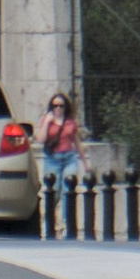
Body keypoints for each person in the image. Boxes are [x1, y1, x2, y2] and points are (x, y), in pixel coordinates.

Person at [38, 88, 83, 226]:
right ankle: (49, 222)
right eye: (55, 105)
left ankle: (66, 222)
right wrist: (47, 122)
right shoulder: (46, 121)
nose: (58, 108)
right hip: (52, 159)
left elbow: (77, 142)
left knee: (67, 190)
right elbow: (40, 139)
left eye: (61, 105)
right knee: (54, 192)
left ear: (65, 107)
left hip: (69, 158)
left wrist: (85, 163)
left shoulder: (70, 123)